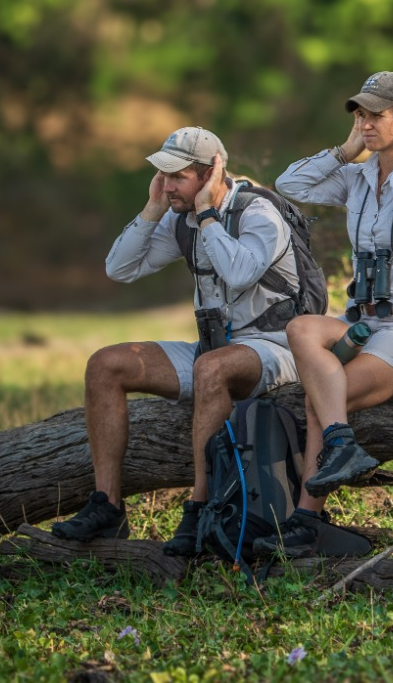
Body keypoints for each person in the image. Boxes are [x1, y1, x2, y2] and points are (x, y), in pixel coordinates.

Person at [51, 126, 300, 553]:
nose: (167, 186)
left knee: (211, 367)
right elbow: (120, 269)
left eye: (177, 177)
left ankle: (201, 508)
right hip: (215, 351)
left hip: (277, 348)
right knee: (105, 364)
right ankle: (107, 506)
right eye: (163, 176)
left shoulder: (258, 212)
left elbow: (240, 273)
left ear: (210, 174)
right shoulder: (179, 217)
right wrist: (152, 210)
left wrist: (207, 215)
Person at [255, 71, 393, 557]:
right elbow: (289, 183)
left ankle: (308, 518)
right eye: (360, 115)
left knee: (322, 397)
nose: (365, 124)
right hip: (367, 321)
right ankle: (340, 447)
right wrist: (347, 150)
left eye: (375, 115)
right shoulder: (359, 177)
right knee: (301, 328)